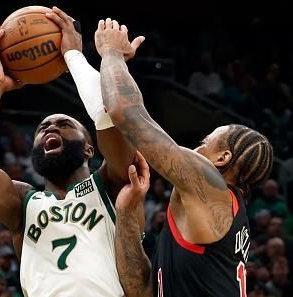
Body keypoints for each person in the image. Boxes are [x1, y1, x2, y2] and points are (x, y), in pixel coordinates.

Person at [0, 6, 144, 297]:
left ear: (90, 148)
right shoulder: (21, 203)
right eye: (42, 129)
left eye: (64, 124)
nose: (50, 129)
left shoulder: (114, 184)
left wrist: (73, 56)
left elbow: (109, 114)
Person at [94, 18, 274, 297]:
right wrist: (127, 215)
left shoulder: (211, 187)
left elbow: (125, 113)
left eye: (204, 143)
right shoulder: (218, 219)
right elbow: (138, 289)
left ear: (223, 158)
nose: (196, 150)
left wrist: (111, 53)